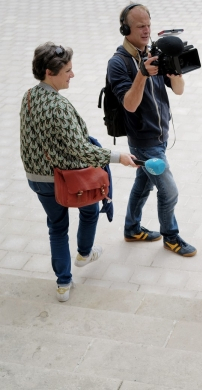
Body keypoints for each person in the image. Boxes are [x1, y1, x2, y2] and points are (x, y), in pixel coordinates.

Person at [20, 42, 138, 302]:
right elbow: (81, 152)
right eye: (68, 71)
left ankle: (63, 284)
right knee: (89, 208)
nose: (72, 75)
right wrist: (119, 157)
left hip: (37, 179)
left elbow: (27, 140)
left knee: (57, 227)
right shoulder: (59, 107)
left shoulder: (28, 96)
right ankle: (84, 253)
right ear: (50, 72)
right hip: (64, 179)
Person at [107, 3, 197, 257]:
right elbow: (130, 104)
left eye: (148, 25)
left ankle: (132, 228)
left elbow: (178, 90)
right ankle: (171, 236)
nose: (146, 30)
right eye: (140, 26)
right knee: (169, 192)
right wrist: (142, 74)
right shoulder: (119, 63)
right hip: (144, 141)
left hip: (159, 135)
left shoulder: (154, 53)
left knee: (143, 184)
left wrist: (175, 67)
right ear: (125, 29)